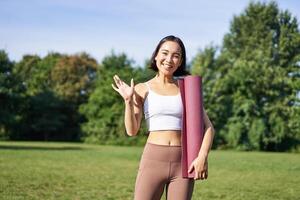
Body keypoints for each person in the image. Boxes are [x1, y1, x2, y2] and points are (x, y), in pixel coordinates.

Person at [112, 35, 215, 200]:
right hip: (153, 160)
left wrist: (202, 157)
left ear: (180, 61)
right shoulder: (142, 89)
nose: (169, 59)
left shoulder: (187, 89)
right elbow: (132, 131)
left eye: (176, 55)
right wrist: (128, 101)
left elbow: (208, 127)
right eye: (165, 53)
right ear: (156, 56)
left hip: (183, 163)